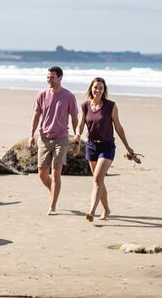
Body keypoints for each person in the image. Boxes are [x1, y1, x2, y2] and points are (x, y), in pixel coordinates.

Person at [75, 77, 136, 221]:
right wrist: (77, 134)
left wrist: (128, 146)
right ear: (91, 88)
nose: (98, 90)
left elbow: (118, 127)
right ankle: (107, 209)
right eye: (95, 87)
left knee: (97, 178)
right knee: (99, 180)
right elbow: (80, 124)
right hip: (91, 146)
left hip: (107, 146)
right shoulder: (85, 106)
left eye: (101, 88)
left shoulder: (111, 106)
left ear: (104, 90)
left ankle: (91, 211)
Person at [29, 66, 78, 215]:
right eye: (48, 77)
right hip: (44, 138)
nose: (49, 80)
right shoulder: (42, 95)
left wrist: (77, 137)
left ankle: (52, 206)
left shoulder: (69, 96)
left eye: (52, 77)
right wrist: (31, 135)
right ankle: (54, 191)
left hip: (61, 139)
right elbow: (36, 116)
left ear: (60, 78)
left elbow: (75, 118)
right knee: (42, 173)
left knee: (56, 173)